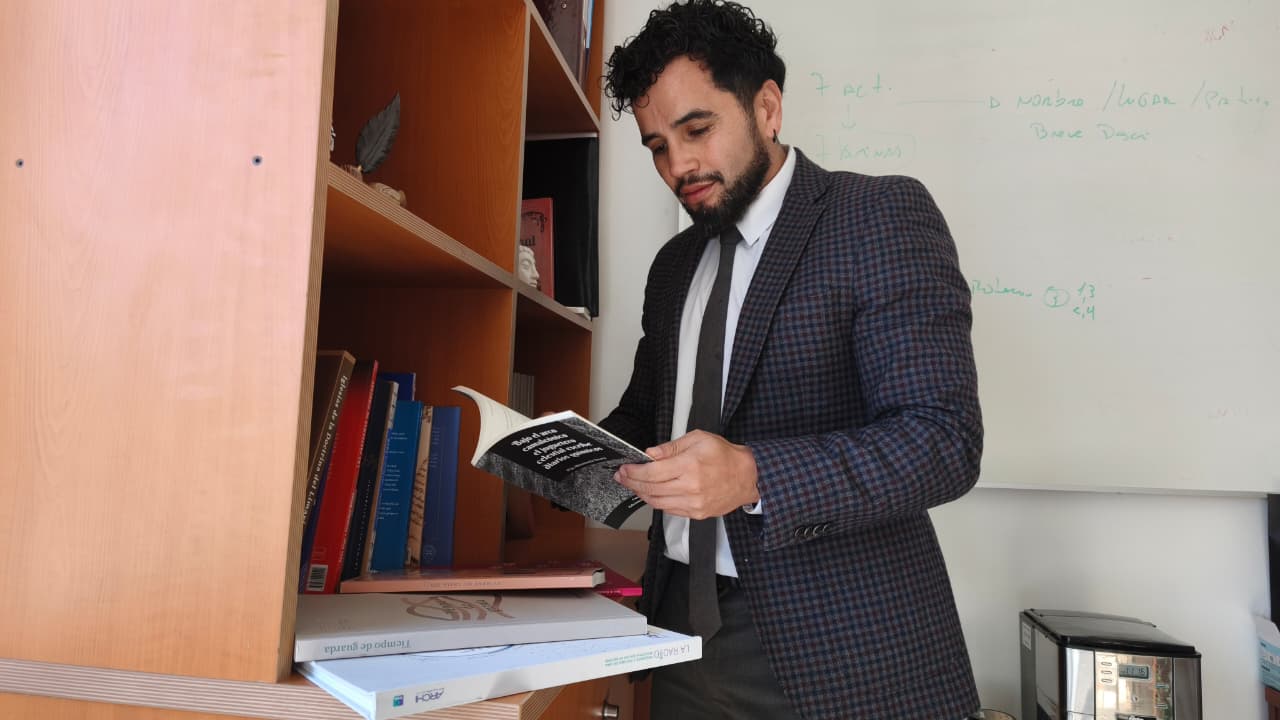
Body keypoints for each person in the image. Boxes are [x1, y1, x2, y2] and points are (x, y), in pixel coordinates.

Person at [596, 2, 984, 718]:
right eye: (656, 146)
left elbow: (942, 440)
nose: (678, 166)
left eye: (696, 130)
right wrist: (558, 454)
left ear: (767, 108)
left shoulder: (877, 216)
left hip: (843, 647)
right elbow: (647, 418)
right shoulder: (674, 266)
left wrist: (751, 475)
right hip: (677, 628)